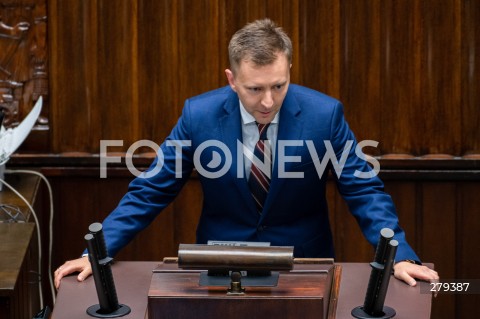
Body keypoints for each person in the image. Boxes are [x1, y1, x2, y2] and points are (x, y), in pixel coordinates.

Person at [54, 18, 438, 289]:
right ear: (231, 79)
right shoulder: (198, 115)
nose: (268, 102)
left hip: (304, 265)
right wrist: (94, 253)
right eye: (255, 89)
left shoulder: (325, 114)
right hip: (220, 264)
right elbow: (151, 189)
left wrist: (399, 255)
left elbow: (363, 189)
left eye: (279, 85)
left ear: (289, 69)